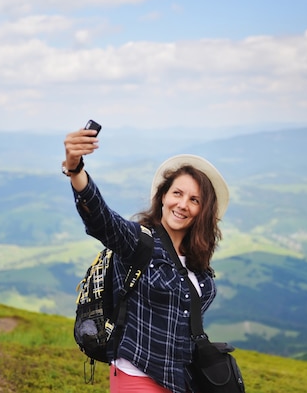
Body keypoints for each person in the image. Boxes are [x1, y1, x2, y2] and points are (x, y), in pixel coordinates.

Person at [63, 127, 229, 393]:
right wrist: (76, 170)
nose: (183, 204)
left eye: (194, 199)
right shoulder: (138, 241)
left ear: (202, 211)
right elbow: (101, 220)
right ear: (163, 196)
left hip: (181, 380)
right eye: (177, 193)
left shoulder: (197, 262)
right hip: (137, 375)